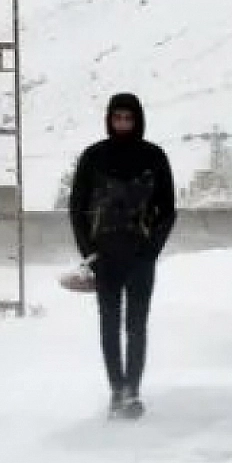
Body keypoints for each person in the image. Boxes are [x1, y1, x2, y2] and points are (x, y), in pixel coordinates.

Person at [67, 93, 177, 418]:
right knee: (109, 325)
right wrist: (89, 252)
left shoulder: (154, 157)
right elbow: (77, 208)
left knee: (137, 326)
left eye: (128, 119)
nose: (123, 125)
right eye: (118, 118)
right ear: (109, 119)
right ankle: (116, 390)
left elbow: (168, 210)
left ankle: (132, 391)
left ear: (138, 119)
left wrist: (152, 248)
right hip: (105, 256)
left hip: (140, 256)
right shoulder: (93, 158)